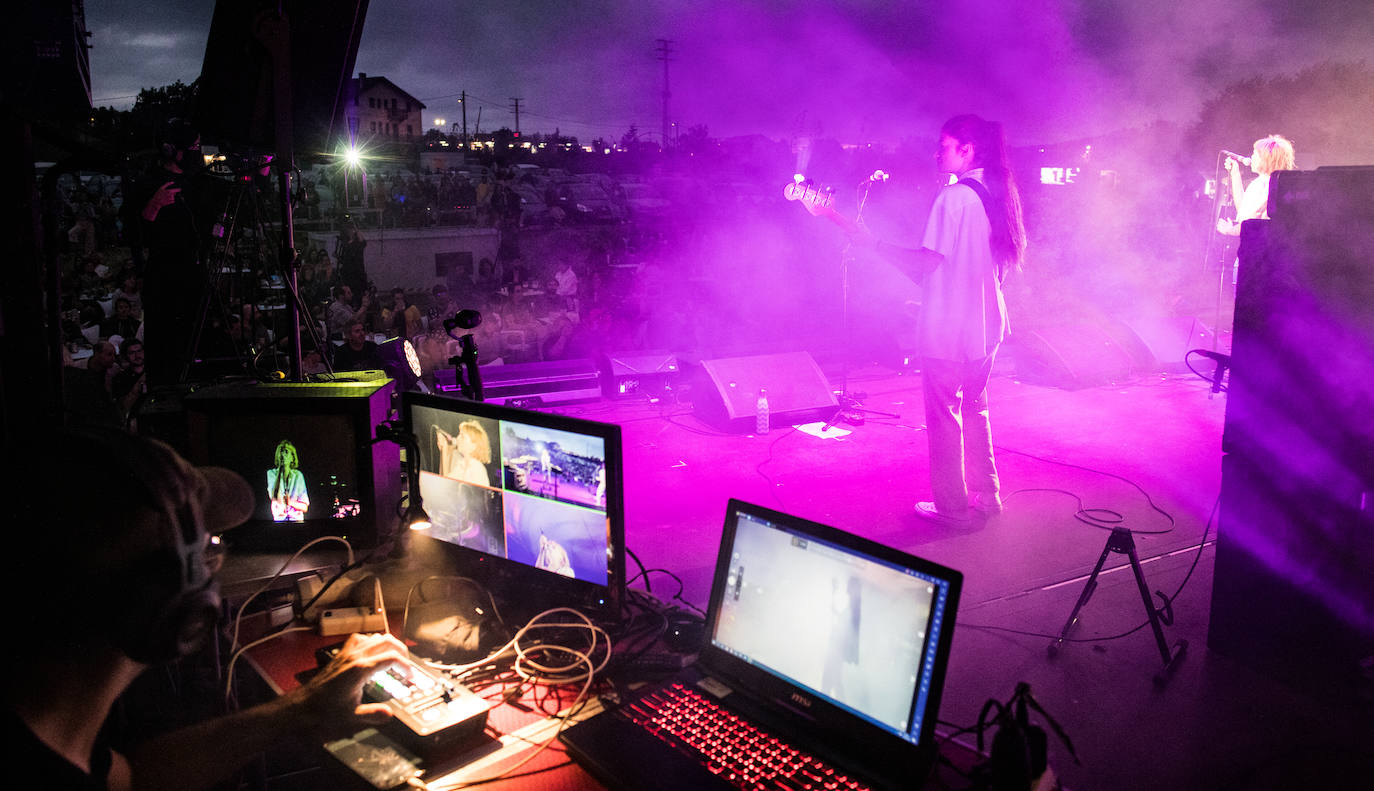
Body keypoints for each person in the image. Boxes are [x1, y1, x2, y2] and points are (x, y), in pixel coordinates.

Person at [3, 427, 410, 791]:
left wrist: (300, 710)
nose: (212, 573)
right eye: (209, 549)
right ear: (170, 597)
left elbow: (133, 778)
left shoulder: (50, 734)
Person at [863, 115, 1026, 524]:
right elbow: (996, 266)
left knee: (943, 421)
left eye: (945, 145)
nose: (937, 153)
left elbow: (925, 265)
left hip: (949, 334)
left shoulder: (953, 198)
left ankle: (952, 506)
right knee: (976, 410)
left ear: (967, 150)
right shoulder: (997, 191)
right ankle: (988, 495)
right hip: (987, 328)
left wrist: (876, 245)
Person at [1216, 134, 1296, 236]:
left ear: (1267, 159)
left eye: (1255, 154)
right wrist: (1235, 174)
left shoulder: (1271, 186)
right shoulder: (1258, 183)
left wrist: (1230, 230)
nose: (1251, 157)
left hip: (1262, 248)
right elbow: (1243, 209)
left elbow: (1253, 219)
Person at [436, 419, 492, 486]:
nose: (458, 438)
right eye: (459, 434)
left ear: (474, 446)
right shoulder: (460, 465)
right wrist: (444, 448)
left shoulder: (477, 468)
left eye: (462, 436)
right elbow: (446, 484)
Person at [267, 439, 309, 522]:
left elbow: (304, 507)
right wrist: (280, 471)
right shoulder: (271, 473)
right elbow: (273, 496)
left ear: (292, 457)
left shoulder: (298, 476)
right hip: (279, 521)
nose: (282, 455)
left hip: (297, 521)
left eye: (286, 452)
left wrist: (290, 502)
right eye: (280, 452)